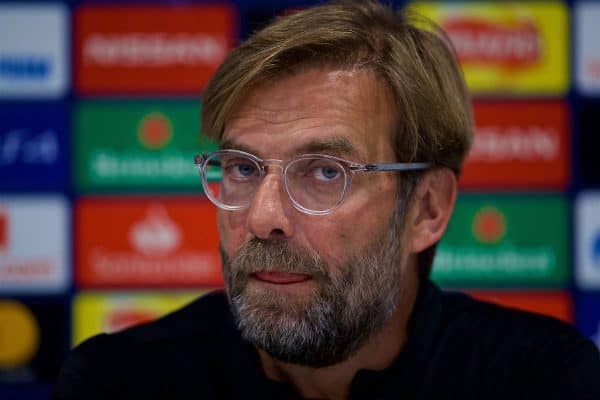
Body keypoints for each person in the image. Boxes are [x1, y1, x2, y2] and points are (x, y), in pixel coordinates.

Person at [55, 1, 600, 399]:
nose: (264, 217)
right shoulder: (121, 383)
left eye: (323, 172)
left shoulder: (543, 381)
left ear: (426, 209)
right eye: (243, 168)